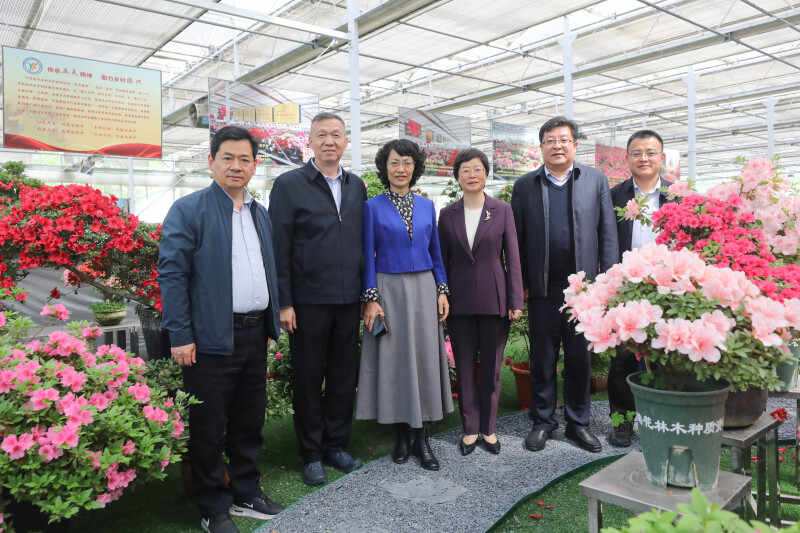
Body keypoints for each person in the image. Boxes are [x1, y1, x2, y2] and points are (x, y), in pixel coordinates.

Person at [159, 125, 284, 533]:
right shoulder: (189, 209)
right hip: (210, 337)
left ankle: (246, 490)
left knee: (249, 419)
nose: (236, 166)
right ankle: (213, 505)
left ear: (255, 165)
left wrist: (271, 320)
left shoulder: (259, 213)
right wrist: (181, 335)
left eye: (244, 159)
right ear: (211, 161)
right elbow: (173, 275)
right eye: (227, 157)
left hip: (254, 333)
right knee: (208, 425)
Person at [511, 116, 618, 454]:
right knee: (542, 357)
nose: (557, 146)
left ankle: (578, 423)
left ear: (574, 144)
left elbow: (607, 233)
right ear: (541, 147)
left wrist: (607, 282)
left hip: (583, 291)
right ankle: (543, 421)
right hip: (542, 288)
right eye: (550, 141)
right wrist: (521, 283)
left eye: (563, 140)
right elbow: (516, 241)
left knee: (578, 358)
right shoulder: (525, 185)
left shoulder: (595, 180)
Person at [268, 112, 366, 486]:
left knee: (343, 376)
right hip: (307, 302)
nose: (329, 141)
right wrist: (284, 302)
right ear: (309, 142)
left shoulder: (356, 185)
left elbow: (362, 242)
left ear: (345, 142)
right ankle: (311, 453)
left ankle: (336, 445)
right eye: (321, 135)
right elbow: (279, 247)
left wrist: (365, 294)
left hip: (348, 300)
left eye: (336, 135)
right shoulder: (289, 184)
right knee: (308, 378)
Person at [358, 138, 454, 471]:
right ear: (385, 168)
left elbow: (436, 252)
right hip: (389, 290)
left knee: (425, 358)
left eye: (407, 163)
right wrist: (371, 298)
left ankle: (422, 439)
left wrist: (441, 290)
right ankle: (400, 436)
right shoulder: (372, 206)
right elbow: (366, 257)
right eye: (395, 162)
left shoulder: (427, 205)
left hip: (425, 289)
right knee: (395, 360)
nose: (401, 169)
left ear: (416, 168)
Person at [438, 148, 523, 456]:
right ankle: (470, 428)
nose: (471, 175)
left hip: (494, 301)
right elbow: (442, 260)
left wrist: (515, 299)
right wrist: (441, 293)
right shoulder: (447, 214)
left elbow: (512, 256)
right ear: (457, 177)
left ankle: (488, 428)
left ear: (486, 174)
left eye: (477, 169)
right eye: (465, 170)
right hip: (458, 302)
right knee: (463, 368)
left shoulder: (502, 210)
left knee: (492, 368)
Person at [607, 130, 673, 447]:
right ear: (627, 158)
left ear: (662, 157)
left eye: (650, 152)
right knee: (622, 358)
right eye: (636, 153)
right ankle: (622, 422)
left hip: (668, 289)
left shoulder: (678, 197)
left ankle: (663, 420)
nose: (643, 158)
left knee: (665, 357)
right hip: (625, 288)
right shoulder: (613, 196)